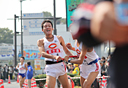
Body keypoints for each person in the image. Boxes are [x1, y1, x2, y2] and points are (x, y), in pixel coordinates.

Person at [37, 20, 73, 88]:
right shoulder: (41, 41)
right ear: (42, 30)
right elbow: (43, 53)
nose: (48, 27)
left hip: (60, 65)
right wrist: (54, 57)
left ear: (52, 28)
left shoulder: (59, 38)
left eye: (49, 26)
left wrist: (74, 57)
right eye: (45, 26)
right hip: (50, 67)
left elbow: (66, 51)